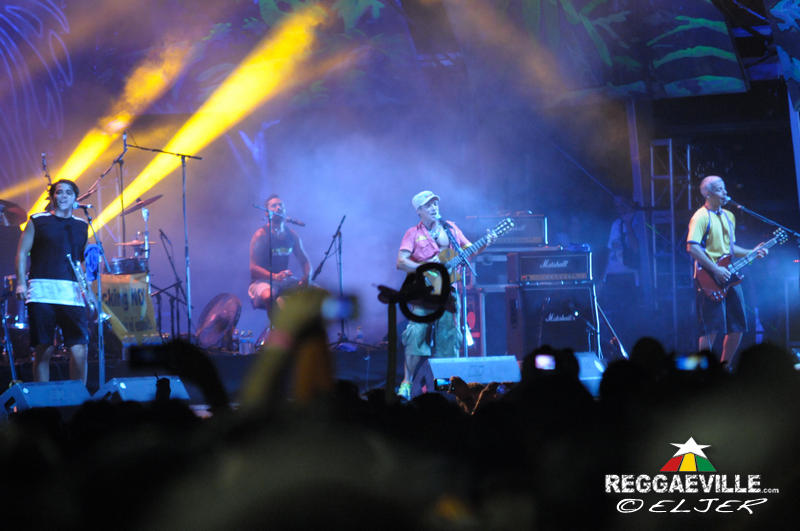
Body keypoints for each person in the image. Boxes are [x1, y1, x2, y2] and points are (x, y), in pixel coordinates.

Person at [396, 190, 495, 399]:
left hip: (448, 293)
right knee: (416, 335)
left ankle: (443, 390)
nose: (434, 208)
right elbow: (401, 262)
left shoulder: (451, 229)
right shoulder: (412, 233)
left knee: (448, 340)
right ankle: (407, 383)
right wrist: (425, 267)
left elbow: (470, 250)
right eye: (428, 205)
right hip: (423, 293)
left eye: (435, 204)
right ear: (419, 211)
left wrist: (486, 241)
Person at [686, 175, 767, 365]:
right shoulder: (700, 217)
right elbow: (692, 246)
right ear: (708, 193)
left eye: (724, 188)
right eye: (720, 189)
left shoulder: (729, 216)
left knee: (737, 326)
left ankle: (724, 368)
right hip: (709, 278)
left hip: (729, 276)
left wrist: (752, 252)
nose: (725, 192)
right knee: (711, 328)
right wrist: (715, 269)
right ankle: (704, 372)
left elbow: (730, 249)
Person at [15, 180, 90, 383]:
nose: (63, 196)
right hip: (42, 292)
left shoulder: (82, 226)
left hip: (71, 293)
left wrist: (87, 287)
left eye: (68, 193)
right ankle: (43, 400)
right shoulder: (38, 221)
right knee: (44, 348)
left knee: (79, 348)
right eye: (59, 192)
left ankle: (78, 397)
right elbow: (22, 252)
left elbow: (82, 261)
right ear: (52, 197)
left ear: (75, 198)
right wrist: (21, 282)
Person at [248, 194, 310, 319]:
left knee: (316, 293)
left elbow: (304, 261)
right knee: (268, 296)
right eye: (274, 205)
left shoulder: (292, 235)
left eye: (281, 205)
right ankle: (277, 329)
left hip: (284, 280)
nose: (278, 208)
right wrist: (275, 276)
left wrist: (307, 277)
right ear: (267, 213)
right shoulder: (261, 234)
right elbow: (253, 269)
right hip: (263, 281)